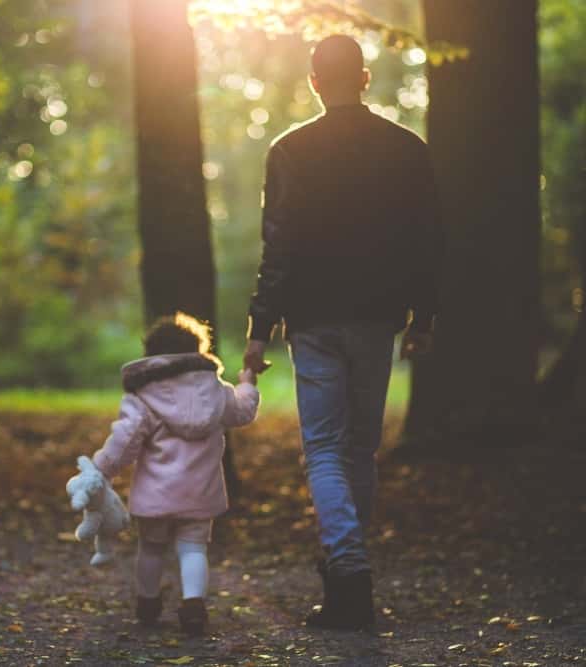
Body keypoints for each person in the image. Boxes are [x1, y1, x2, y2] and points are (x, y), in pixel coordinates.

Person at [243, 35, 444, 631]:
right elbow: (427, 239)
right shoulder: (406, 148)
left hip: (312, 320)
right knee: (358, 449)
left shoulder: (289, 150)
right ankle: (344, 578)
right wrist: (424, 317)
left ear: (313, 81)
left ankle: (348, 576)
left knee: (326, 449)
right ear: (364, 77)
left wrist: (259, 327)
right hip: (379, 319)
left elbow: (276, 246)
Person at [90, 312, 260, 635]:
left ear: (151, 356)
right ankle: (194, 604)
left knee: (151, 547)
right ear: (197, 351)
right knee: (194, 548)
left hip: (156, 495)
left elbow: (125, 441)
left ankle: (148, 602)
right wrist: (248, 384)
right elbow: (243, 411)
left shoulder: (143, 395)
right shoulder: (215, 390)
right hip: (200, 492)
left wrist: (102, 468)